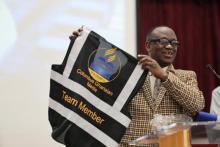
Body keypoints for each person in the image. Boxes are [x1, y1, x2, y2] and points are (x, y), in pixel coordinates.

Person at [70, 26, 205, 147]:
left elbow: (196, 105)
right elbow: (95, 87)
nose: (170, 47)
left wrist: (164, 76)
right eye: (163, 41)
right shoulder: (128, 73)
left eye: (174, 43)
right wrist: (82, 47)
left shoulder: (186, 76)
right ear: (147, 45)